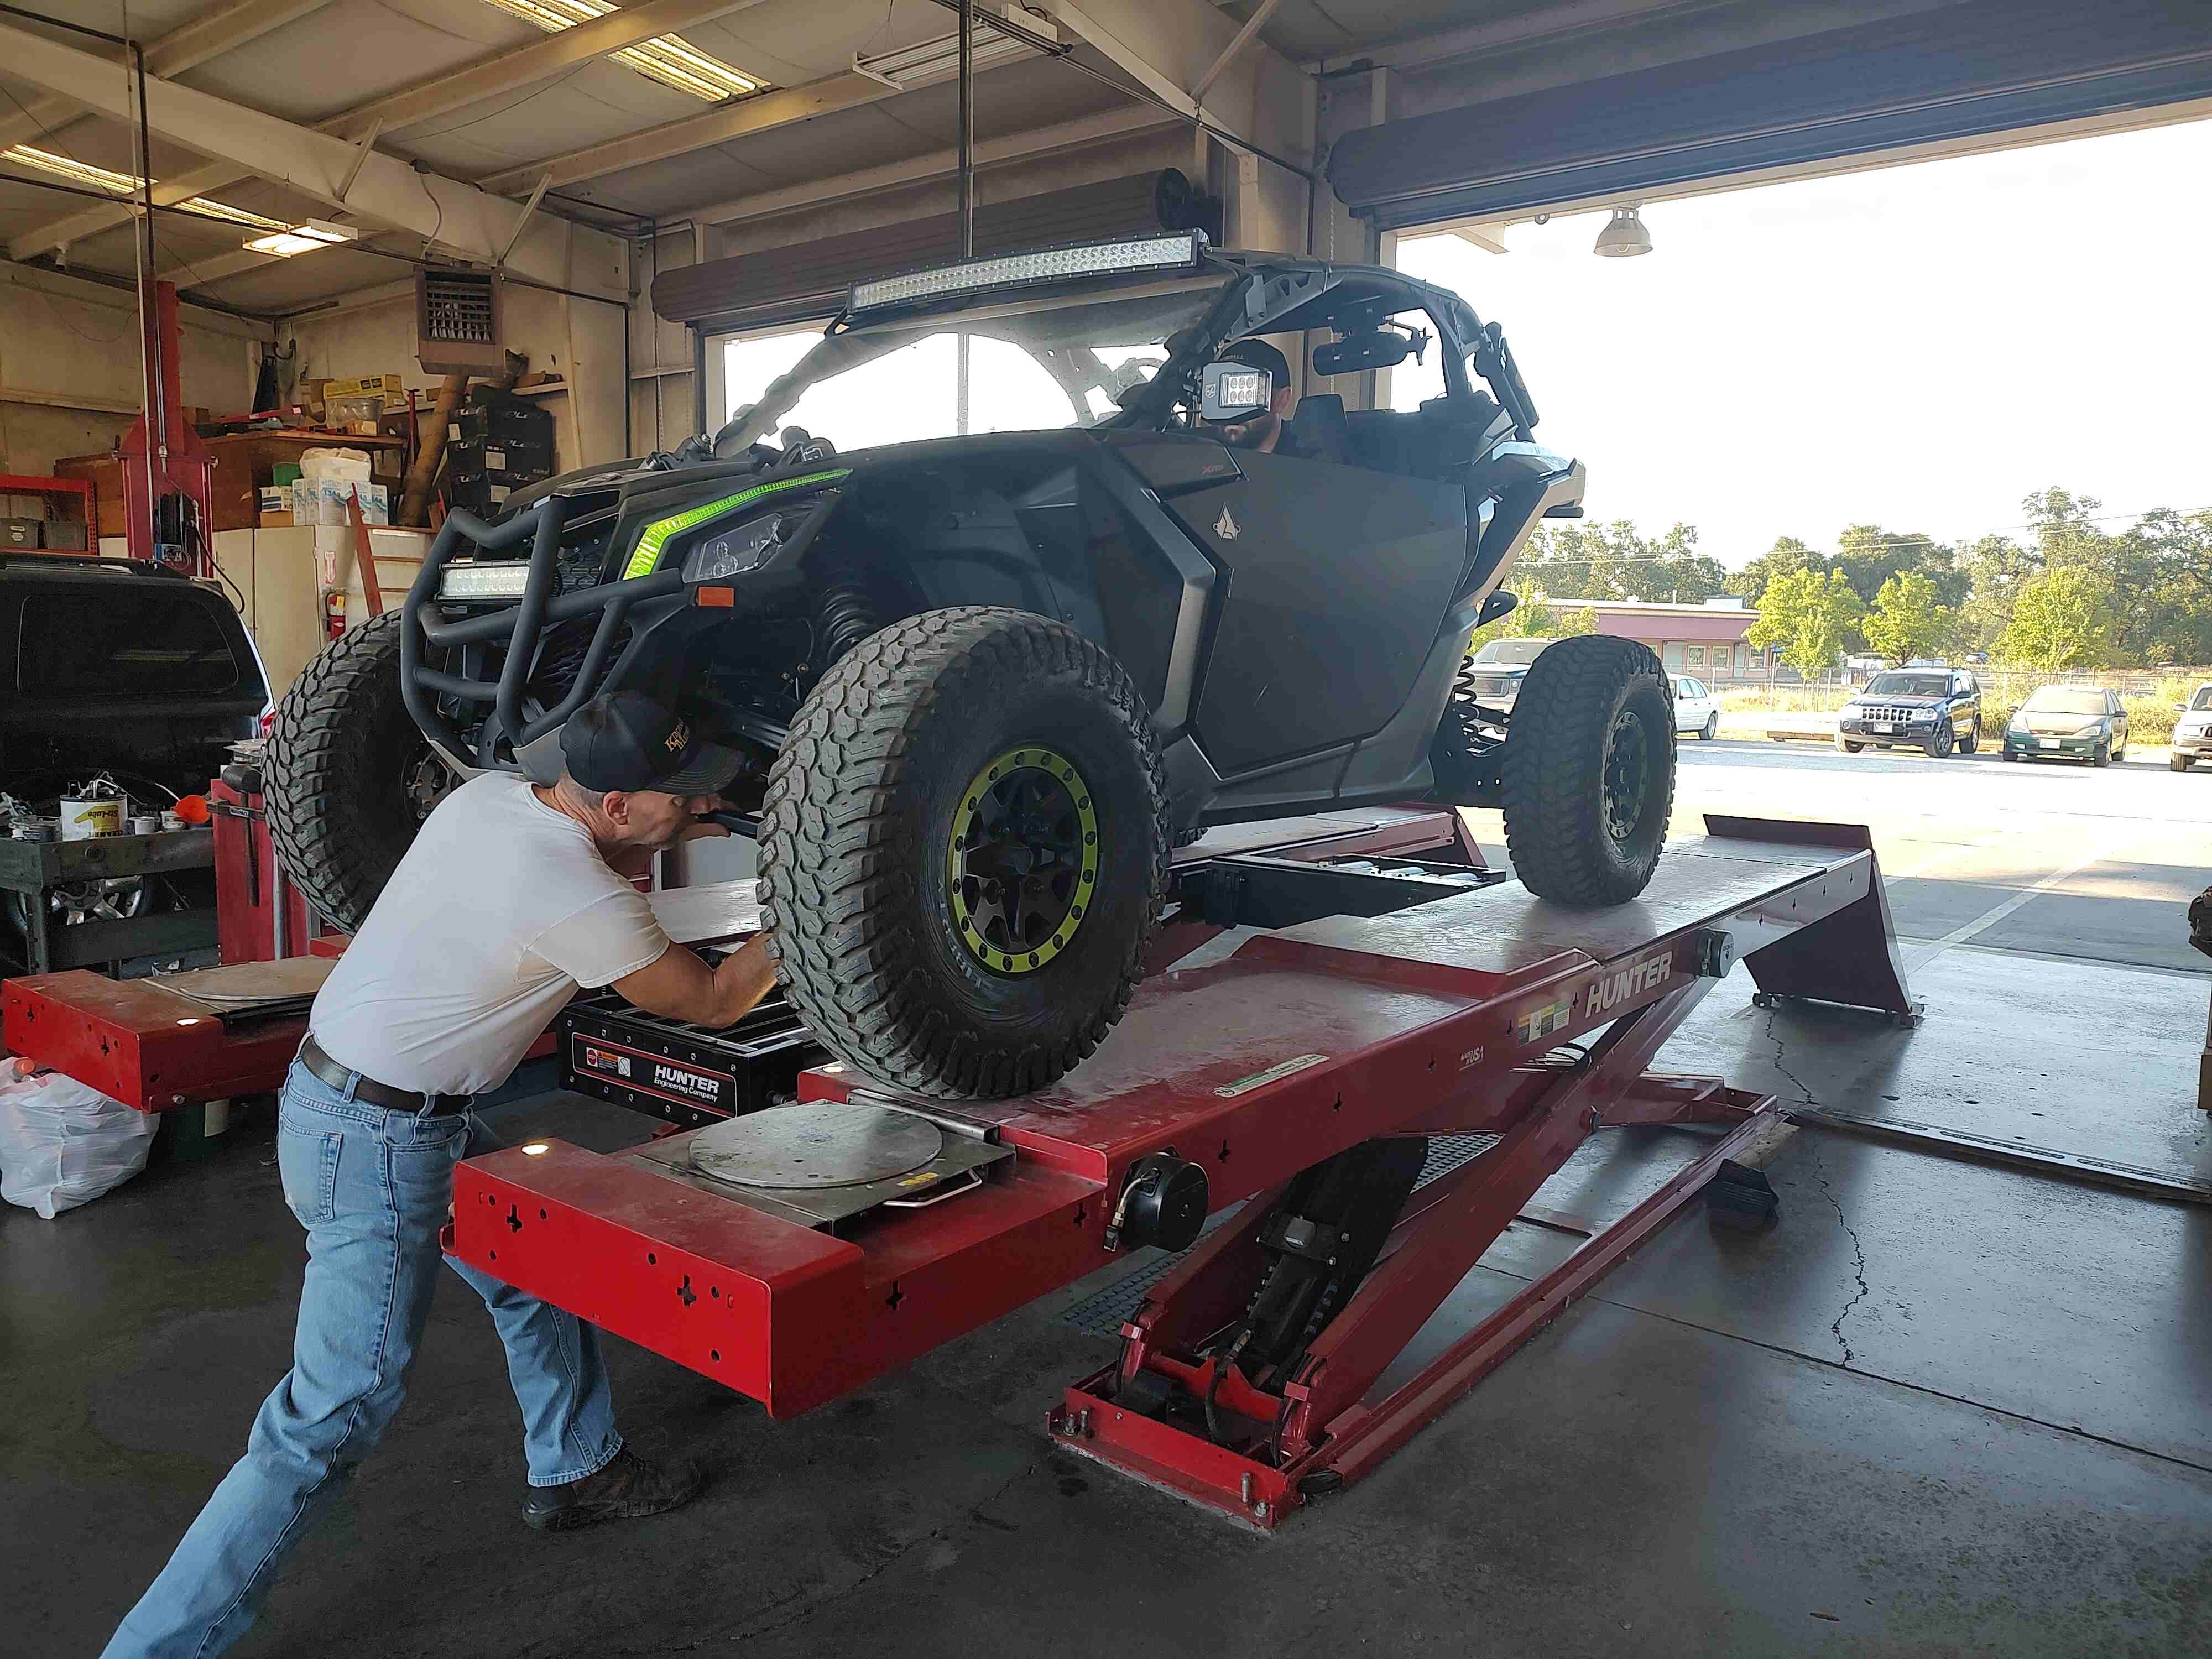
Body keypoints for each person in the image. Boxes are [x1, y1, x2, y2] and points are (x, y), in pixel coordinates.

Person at [103, 691, 780, 1659]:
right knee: (330, 1416)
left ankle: (578, 1466)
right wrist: (808, 909)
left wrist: (680, 814)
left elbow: (605, 865)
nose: (696, 809)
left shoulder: (494, 800)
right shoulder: (579, 895)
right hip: (379, 1146)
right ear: (619, 805)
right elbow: (712, 999)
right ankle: (152, 1649)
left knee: (534, 1261)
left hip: (357, 1103)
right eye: (681, 799)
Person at [1203, 336, 1319, 458]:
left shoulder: (1310, 466)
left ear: (1282, 400)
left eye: (1247, 395)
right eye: (1223, 393)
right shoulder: (1200, 456)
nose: (1230, 411)